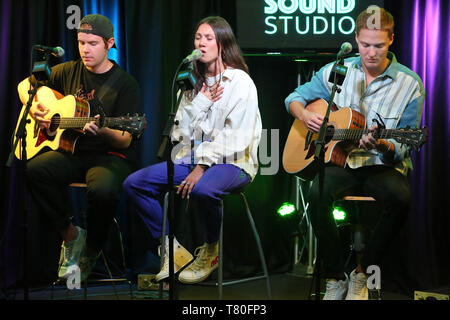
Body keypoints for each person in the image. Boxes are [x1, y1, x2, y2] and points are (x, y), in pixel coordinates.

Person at [285, 6, 425, 300]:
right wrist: (303, 115)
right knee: (315, 195)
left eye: (378, 45)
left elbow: (403, 145)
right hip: (344, 161)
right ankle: (336, 275)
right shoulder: (339, 70)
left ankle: (362, 272)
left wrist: (383, 144)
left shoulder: (410, 84)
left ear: (391, 41)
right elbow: (294, 97)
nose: (371, 53)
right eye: (364, 45)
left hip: (381, 166)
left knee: (401, 198)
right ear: (356, 39)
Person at [123, 16, 262, 284]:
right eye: (198, 37)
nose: (201, 43)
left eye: (209, 38)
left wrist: (203, 166)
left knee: (204, 189)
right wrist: (199, 101)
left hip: (234, 162)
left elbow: (237, 137)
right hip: (190, 160)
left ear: (222, 44)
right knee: (134, 184)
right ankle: (173, 251)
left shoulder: (240, 82)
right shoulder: (190, 85)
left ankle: (211, 249)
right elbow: (178, 134)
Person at [18, 14, 142, 281]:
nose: (85, 49)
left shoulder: (125, 84)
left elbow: (125, 139)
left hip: (108, 156)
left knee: (103, 190)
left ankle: (92, 248)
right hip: (72, 152)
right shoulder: (66, 71)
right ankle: (71, 235)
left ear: (109, 43)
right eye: (81, 42)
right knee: (34, 170)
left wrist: (104, 129)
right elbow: (24, 86)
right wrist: (41, 109)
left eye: (93, 43)